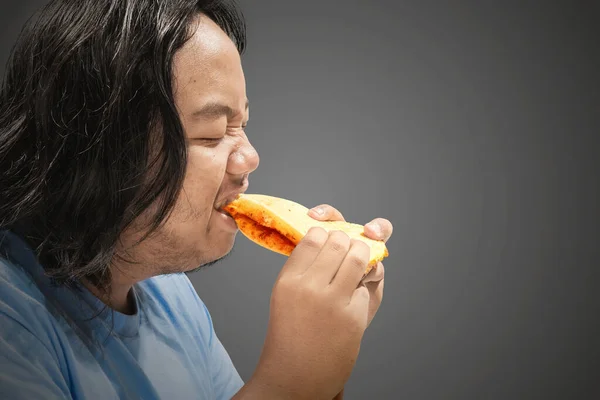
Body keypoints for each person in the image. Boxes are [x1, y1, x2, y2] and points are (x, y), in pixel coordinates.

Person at [0, 0, 393, 399]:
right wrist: (292, 383)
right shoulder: (11, 317)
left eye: (242, 125)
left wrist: (323, 361)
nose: (249, 158)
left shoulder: (169, 295)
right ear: (98, 149)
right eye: (212, 133)